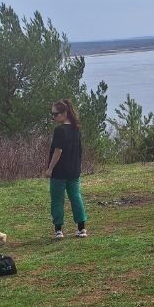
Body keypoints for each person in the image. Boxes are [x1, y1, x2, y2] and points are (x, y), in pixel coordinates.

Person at [45, 99, 88, 239]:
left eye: (55, 114)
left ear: (64, 113)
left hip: (60, 172)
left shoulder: (60, 130)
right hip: (74, 170)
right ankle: (81, 228)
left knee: (57, 200)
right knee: (76, 197)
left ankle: (58, 230)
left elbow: (58, 151)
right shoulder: (76, 128)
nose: (53, 117)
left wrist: (50, 169)